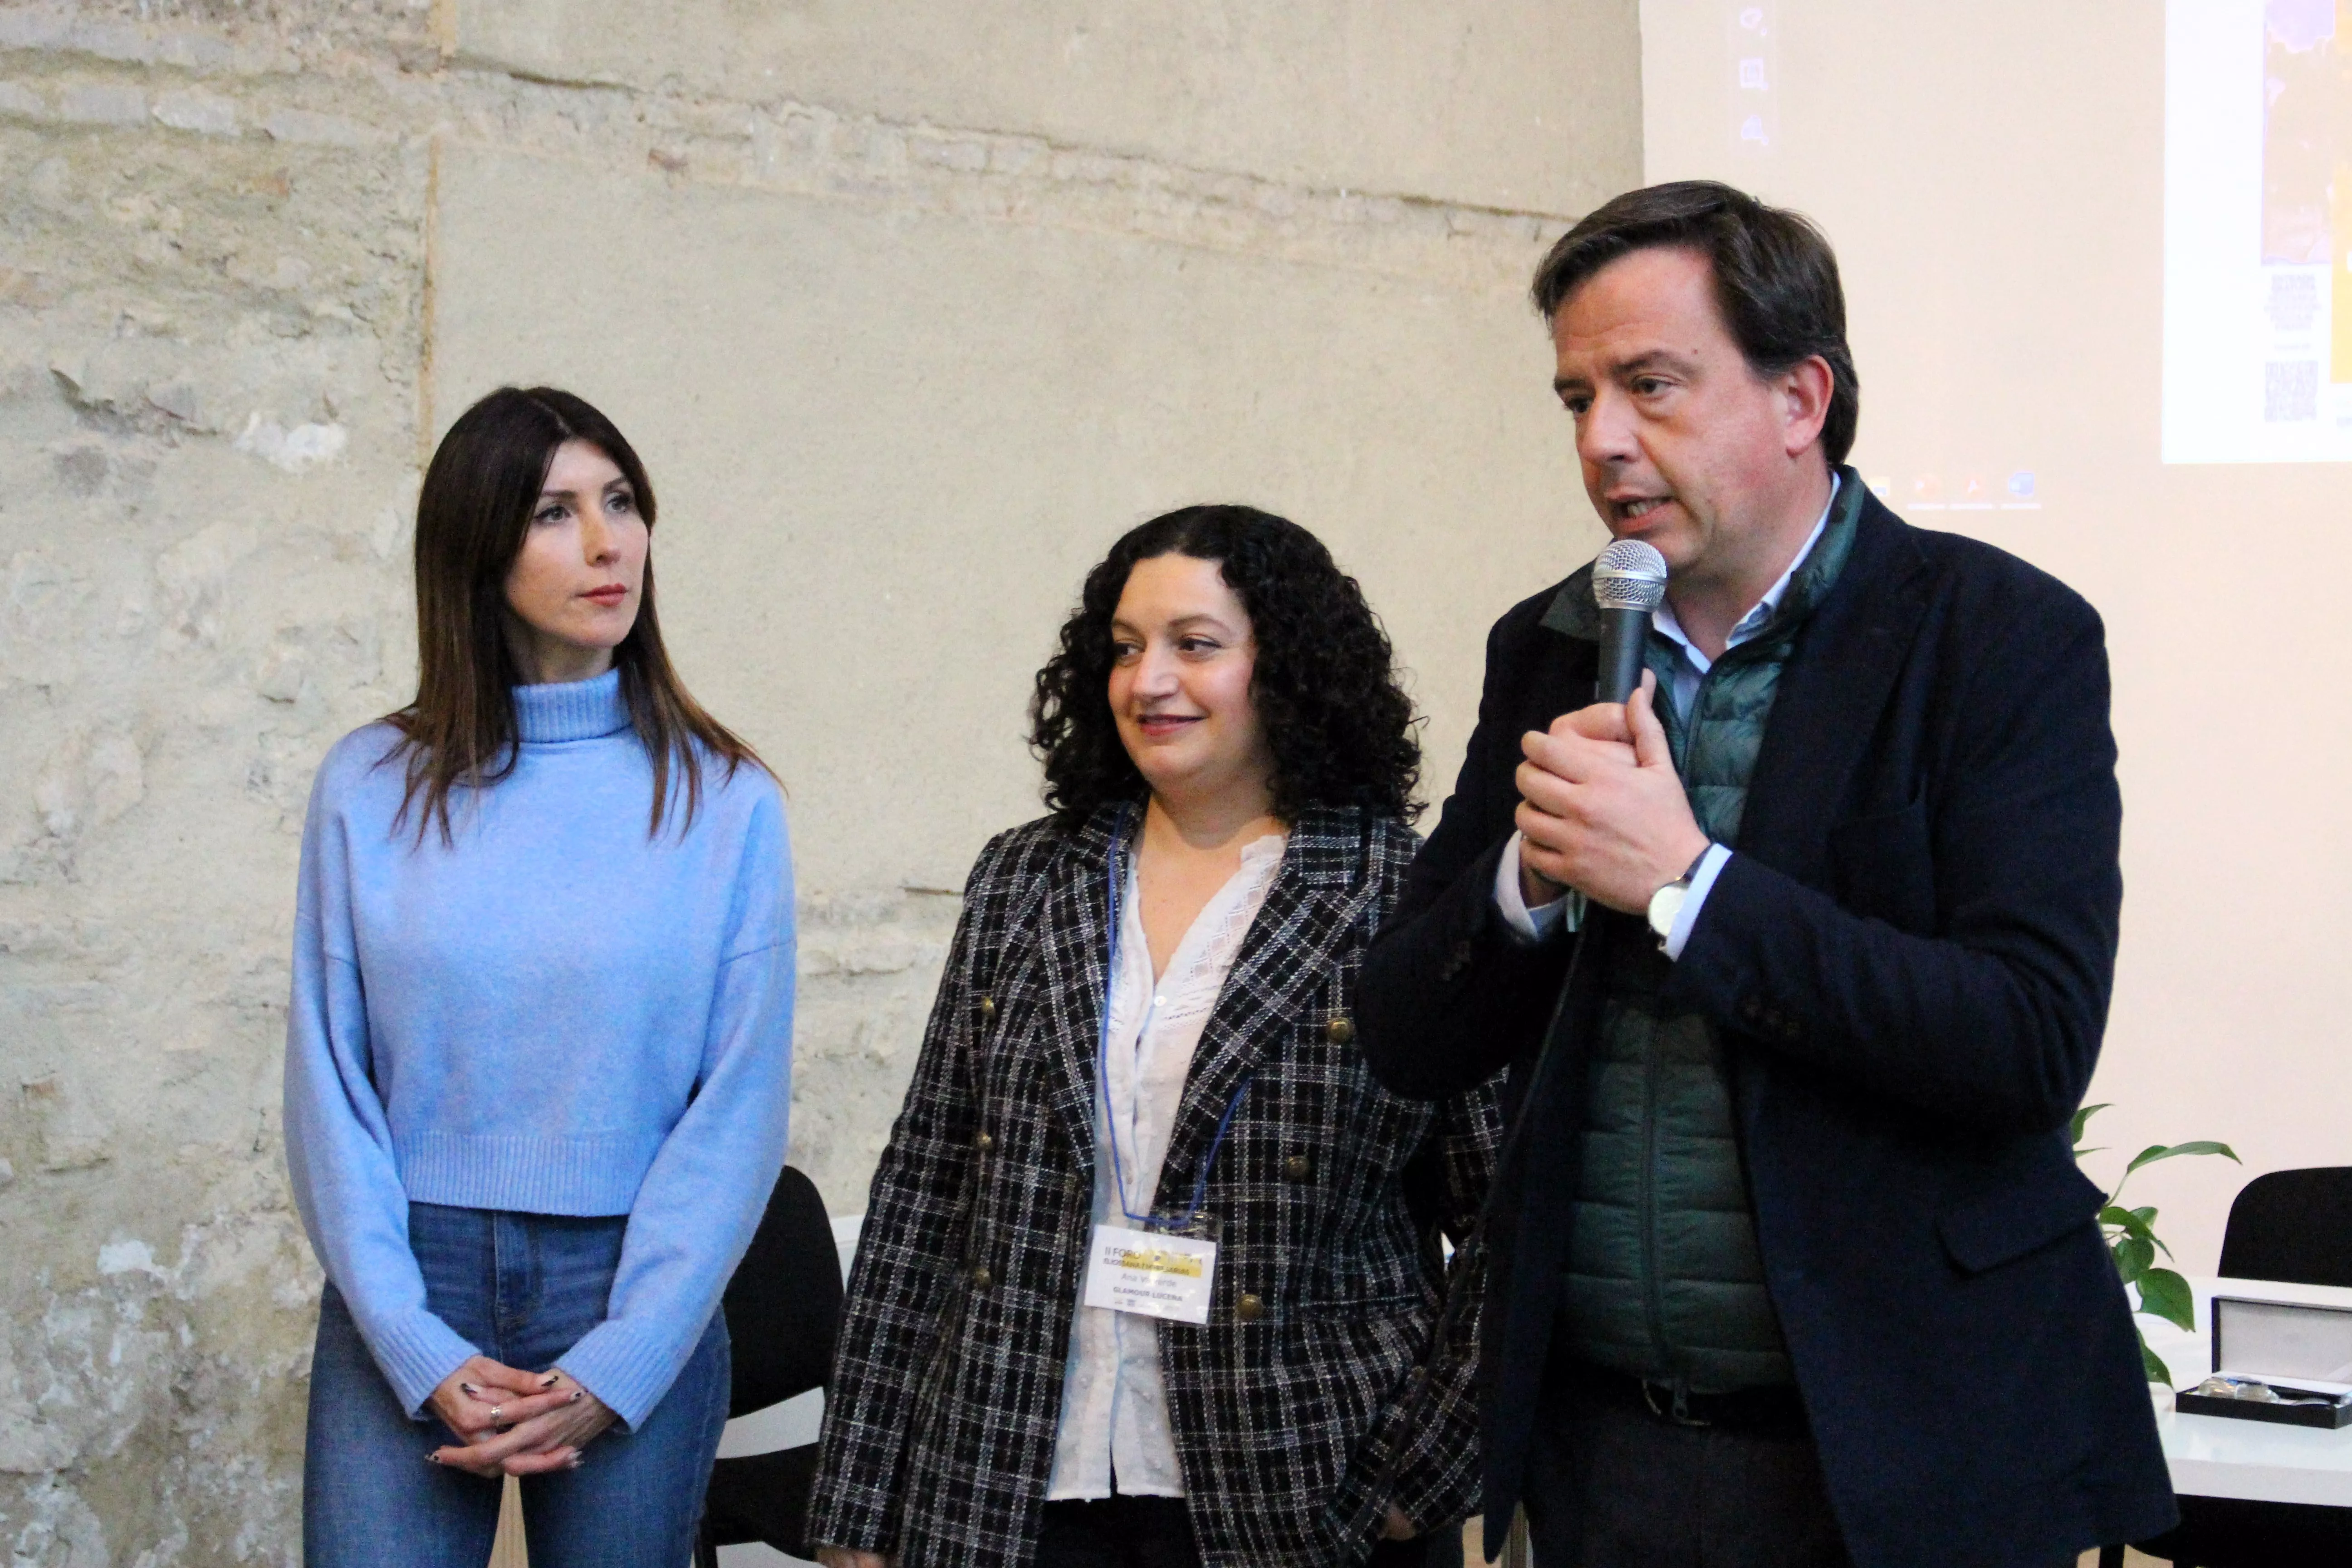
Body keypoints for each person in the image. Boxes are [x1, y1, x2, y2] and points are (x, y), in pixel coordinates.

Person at [1356, 182, 2175, 1568]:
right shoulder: (1553, 644)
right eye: (1576, 399)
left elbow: (2025, 1038)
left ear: (1802, 398)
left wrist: (1686, 885)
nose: (1604, 441)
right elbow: (1403, 1030)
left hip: (1909, 1443)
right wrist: (1531, 885)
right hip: (1608, 1445)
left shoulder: (1996, 638)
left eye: (1651, 385)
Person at [807, 505, 1501, 1568]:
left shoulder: (1399, 893)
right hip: (1012, 1473)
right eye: (1127, 648)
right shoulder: (1027, 876)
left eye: (1196, 645)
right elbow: (925, 1189)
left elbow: (1510, 1212)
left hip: (1306, 1481)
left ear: (1291, 668)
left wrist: (1423, 1478)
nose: (1149, 681)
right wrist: (862, 1502)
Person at [283, 387, 794, 1567]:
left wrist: (619, 1362)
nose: (610, 542)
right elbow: (330, 1087)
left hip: (635, 1289)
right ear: (476, 546)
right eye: (556, 513)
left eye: (622, 503)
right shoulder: (368, 783)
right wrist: (415, 1345)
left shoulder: (728, 801)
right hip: (409, 1282)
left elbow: (737, 1110)